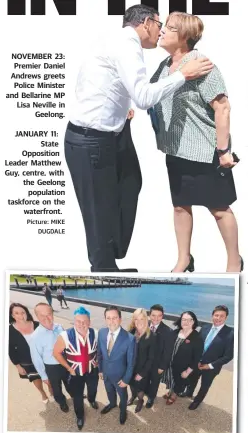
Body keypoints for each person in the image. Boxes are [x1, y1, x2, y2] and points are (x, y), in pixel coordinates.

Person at [64, 4, 213, 272]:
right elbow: (144, 98)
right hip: (90, 141)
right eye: (160, 25)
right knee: (99, 210)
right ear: (146, 23)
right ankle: (104, 269)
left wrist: (117, 110)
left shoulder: (119, 41)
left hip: (112, 133)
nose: (161, 31)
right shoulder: (126, 44)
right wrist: (184, 75)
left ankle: (113, 251)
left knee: (130, 183)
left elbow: (96, 80)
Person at [150, 11, 243, 272]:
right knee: (180, 207)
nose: (162, 31)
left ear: (185, 36)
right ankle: (184, 259)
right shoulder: (165, 65)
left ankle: (234, 262)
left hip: (206, 150)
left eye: (170, 28)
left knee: (219, 209)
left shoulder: (202, 64)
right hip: (176, 150)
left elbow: (222, 108)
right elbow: (151, 94)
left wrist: (224, 151)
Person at [53, 307, 99, 431]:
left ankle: (91, 400)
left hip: (92, 370)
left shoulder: (95, 332)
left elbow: (100, 350)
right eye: (78, 321)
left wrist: (98, 361)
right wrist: (68, 368)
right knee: (77, 396)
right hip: (75, 373)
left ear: (89, 322)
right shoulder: (65, 335)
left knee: (93, 388)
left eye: (84, 321)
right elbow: (56, 353)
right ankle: (79, 416)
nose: (81, 324)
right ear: (74, 321)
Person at [187, 305, 234, 410]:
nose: (218, 318)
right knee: (192, 379)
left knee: (205, 385)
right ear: (212, 316)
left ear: (226, 318)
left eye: (222, 316)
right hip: (197, 362)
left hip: (211, 367)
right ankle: (189, 393)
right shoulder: (205, 328)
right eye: (216, 315)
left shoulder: (231, 334)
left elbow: (228, 356)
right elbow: (196, 344)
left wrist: (210, 365)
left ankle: (197, 401)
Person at [97, 306, 136, 424]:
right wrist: (100, 370)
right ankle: (112, 404)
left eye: (114, 318)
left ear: (120, 319)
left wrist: (126, 379)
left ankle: (123, 411)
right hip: (106, 373)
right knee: (109, 391)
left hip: (121, 377)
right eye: (108, 318)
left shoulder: (130, 338)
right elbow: (100, 353)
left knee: (123, 396)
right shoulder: (101, 332)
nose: (111, 321)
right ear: (105, 319)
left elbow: (131, 363)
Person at [30, 303, 70, 413]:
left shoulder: (59, 327)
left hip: (65, 362)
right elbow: (36, 358)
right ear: (36, 316)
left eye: (48, 314)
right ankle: (62, 402)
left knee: (70, 382)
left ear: (52, 314)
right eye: (42, 315)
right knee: (56, 388)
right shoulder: (35, 336)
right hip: (51, 367)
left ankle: (74, 394)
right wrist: (44, 376)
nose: (46, 318)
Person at [8, 303, 51, 403]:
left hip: (44, 359)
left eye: (23, 312)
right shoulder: (10, 330)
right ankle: (43, 393)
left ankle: (51, 390)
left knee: (49, 378)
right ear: (12, 315)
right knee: (36, 379)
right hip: (27, 362)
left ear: (26, 313)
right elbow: (10, 350)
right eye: (17, 313)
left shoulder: (37, 325)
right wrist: (18, 366)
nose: (20, 315)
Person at [161, 311, 203, 405]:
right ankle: (170, 391)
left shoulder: (197, 338)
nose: (186, 322)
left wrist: (188, 371)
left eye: (189, 320)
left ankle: (174, 394)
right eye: (184, 319)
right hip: (170, 364)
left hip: (182, 367)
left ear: (193, 322)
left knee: (179, 381)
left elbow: (197, 358)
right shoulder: (175, 332)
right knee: (171, 379)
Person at [145, 304, 175, 408]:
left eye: (159, 315)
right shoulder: (144, 325)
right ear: (149, 315)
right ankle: (145, 392)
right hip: (144, 362)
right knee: (144, 379)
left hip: (157, 364)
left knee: (154, 382)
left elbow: (168, 352)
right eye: (153, 315)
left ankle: (151, 398)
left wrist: (162, 367)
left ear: (162, 316)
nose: (156, 318)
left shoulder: (168, 332)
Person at [127, 308, 156, 413]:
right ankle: (133, 396)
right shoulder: (131, 332)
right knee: (131, 384)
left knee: (140, 388)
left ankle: (140, 400)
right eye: (136, 319)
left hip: (142, 369)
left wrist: (142, 373)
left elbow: (151, 358)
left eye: (142, 319)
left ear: (146, 319)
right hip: (130, 367)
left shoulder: (151, 336)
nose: (139, 322)